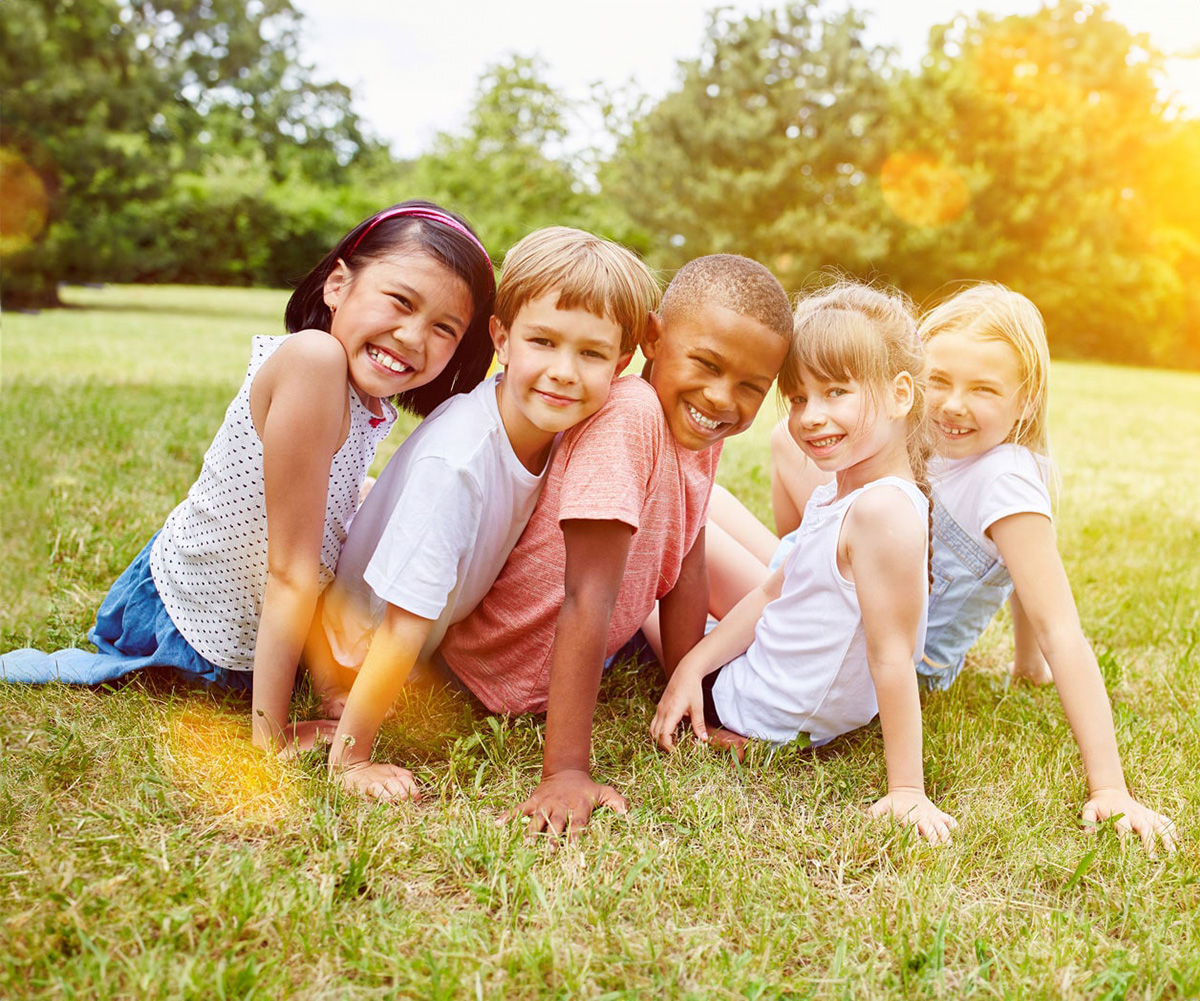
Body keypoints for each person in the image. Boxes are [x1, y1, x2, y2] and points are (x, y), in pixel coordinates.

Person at [0, 201, 496, 756]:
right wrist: (273, 735)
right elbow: (290, 572)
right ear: (337, 285)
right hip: (195, 622)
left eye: (443, 328)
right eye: (400, 301)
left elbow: (325, 508)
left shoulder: (361, 396)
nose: (411, 335)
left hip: (263, 621)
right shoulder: (313, 360)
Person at [439, 254, 795, 837]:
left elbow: (687, 563)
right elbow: (585, 595)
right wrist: (566, 772)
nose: (722, 397)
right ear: (653, 337)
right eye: (706, 364)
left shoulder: (699, 424)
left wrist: (689, 699)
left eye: (751, 387)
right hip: (499, 676)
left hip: (584, 648)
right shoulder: (631, 416)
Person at [304, 226, 659, 802]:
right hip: (363, 657)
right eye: (543, 341)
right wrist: (352, 758)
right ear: (502, 338)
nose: (565, 370)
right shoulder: (460, 461)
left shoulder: (546, 427)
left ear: (621, 364)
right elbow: (404, 621)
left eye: (590, 353)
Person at [650, 281, 958, 845]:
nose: (811, 416)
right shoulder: (846, 491)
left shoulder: (882, 510)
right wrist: (690, 666)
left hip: (759, 713)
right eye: (797, 398)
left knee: (650, 561)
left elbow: (893, 655)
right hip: (765, 681)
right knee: (696, 507)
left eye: (836, 391)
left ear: (900, 395)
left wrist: (907, 791)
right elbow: (772, 594)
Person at [917, 283, 1176, 853]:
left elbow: (1060, 626)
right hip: (861, 612)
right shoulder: (936, 443)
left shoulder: (1003, 480)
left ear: (1026, 398)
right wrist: (1026, 666)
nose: (953, 404)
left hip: (903, 661)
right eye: (939, 380)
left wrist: (1111, 787)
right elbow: (1014, 577)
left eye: (983, 389)